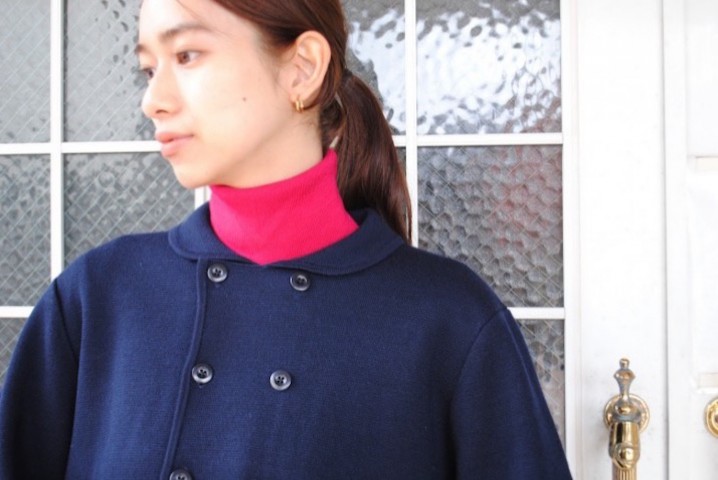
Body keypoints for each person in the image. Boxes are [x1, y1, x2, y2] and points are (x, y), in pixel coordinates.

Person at [0, 0, 573, 478]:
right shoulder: (97, 297)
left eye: (187, 55)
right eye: (150, 69)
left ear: (302, 68)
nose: (153, 100)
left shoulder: (449, 319)